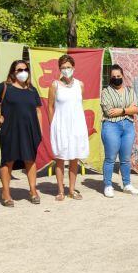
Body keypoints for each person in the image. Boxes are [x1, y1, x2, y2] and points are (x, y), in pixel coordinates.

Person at [0, 60, 43, 206]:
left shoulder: (32, 90)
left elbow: (38, 111)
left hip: (30, 130)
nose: (23, 72)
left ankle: (33, 190)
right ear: (13, 73)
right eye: (19, 70)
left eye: (25, 69)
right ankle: (6, 192)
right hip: (10, 130)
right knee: (8, 160)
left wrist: (40, 131)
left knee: (30, 160)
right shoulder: (5, 87)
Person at [47, 54, 90, 201]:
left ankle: (71, 189)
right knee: (60, 159)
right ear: (59, 69)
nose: (66, 70)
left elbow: (78, 104)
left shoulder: (80, 85)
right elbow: (50, 107)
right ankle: (60, 191)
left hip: (77, 126)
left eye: (68, 67)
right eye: (63, 67)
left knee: (74, 159)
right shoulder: (54, 85)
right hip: (60, 127)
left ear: (73, 68)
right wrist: (54, 125)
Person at [99, 64, 138, 196]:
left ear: (122, 76)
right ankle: (108, 185)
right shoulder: (106, 92)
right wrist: (128, 109)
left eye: (118, 76)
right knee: (110, 158)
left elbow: (137, 109)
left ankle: (127, 184)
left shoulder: (130, 91)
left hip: (128, 127)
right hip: (111, 126)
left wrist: (121, 110)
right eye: (114, 77)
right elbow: (109, 111)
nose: (116, 78)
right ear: (110, 78)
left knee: (126, 159)